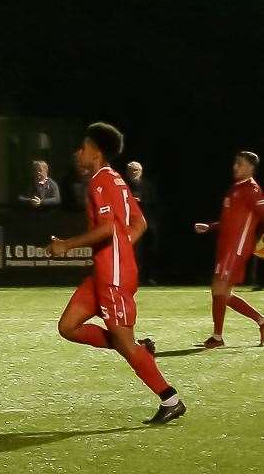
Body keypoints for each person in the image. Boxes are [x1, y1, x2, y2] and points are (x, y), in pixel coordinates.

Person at [46, 122, 184, 424]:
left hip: (114, 276)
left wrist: (67, 245)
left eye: (82, 147)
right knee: (68, 326)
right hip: (106, 271)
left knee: (125, 345)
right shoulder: (115, 179)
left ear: (96, 152)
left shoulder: (100, 182)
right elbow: (138, 224)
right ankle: (135, 348)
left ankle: (170, 398)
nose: (77, 152)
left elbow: (109, 228)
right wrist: (120, 246)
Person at [191, 151, 264, 349]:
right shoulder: (235, 189)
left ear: (251, 167)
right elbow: (230, 220)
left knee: (219, 289)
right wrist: (211, 227)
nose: (235, 167)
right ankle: (261, 321)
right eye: (235, 163)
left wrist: (260, 241)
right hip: (226, 247)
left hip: (237, 248)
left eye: (240, 164)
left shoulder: (252, 190)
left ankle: (217, 337)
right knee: (223, 293)